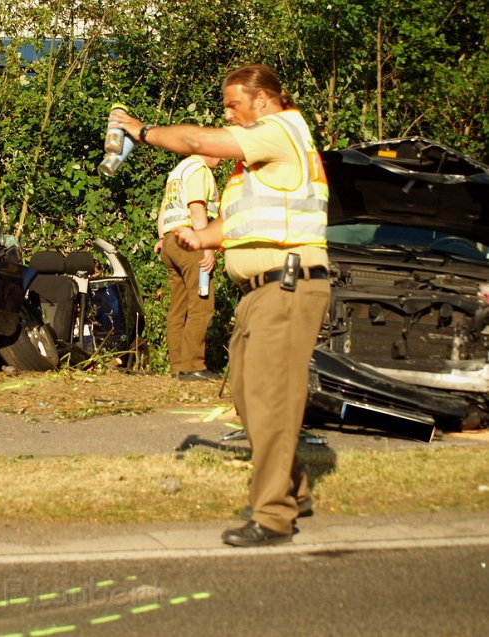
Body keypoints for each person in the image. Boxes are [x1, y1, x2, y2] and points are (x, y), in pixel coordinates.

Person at [109, 64, 330, 547]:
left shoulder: (280, 130)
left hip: (288, 286)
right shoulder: (258, 164)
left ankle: (273, 516)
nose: (227, 114)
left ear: (264, 100)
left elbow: (194, 142)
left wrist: (139, 131)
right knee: (248, 398)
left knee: (272, 401)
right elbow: (236, 229)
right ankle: (294, 488)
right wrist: (197, 237)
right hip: (260, 291)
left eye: (233, 105)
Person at [155, 154, 222, 381]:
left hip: (171, 242)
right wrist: (207, 245)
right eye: (218, 151)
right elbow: (196, 209)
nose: (222, 157)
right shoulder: (198, 170)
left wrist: (163, 238)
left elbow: (165, 211)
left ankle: (178, 367)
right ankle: (192, 366)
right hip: (190, 240)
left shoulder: (178, 171)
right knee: (201, 304)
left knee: (179, 307)